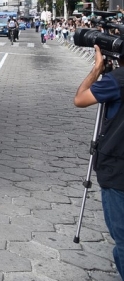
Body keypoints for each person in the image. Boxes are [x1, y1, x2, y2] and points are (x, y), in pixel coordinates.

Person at [74, 45, 124, 279]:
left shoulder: (117, 80)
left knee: (123, 239)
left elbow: (80, 99)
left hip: (118, 171)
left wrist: (96, 69)